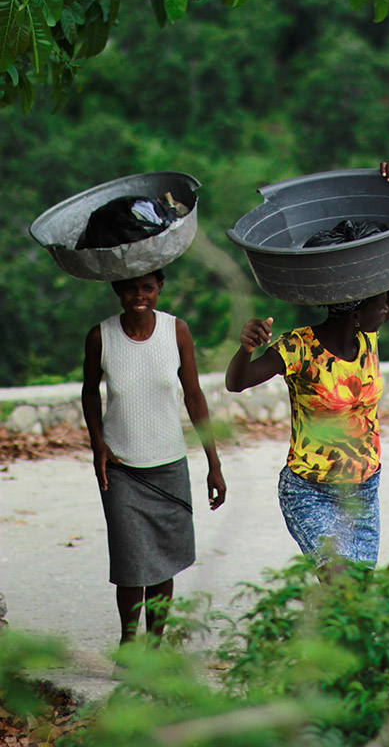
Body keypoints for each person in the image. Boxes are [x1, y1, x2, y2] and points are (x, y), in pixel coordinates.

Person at [224, 162, 389, 569]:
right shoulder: (298, 348)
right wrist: (244, 349)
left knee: (355, 599)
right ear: (356, 312)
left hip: (363, 490)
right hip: (310, 489)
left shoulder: (367, 335)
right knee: (338, 580)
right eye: (381, 301)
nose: (387, 306)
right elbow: (238, 383)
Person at [81, 269, 226, 645]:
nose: (139, 295)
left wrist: (214, 463)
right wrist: (98, 443)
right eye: (130, 288)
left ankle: (156, 646)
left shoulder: (176, 332)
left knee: (163, 562)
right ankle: (129, 645)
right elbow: (89, 393)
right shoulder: (101, 336)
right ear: (117, 290)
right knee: (131, 567)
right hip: (121, 468)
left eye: (147, 287)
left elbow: (194, 397)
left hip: (169, 465)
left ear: (160, 288)